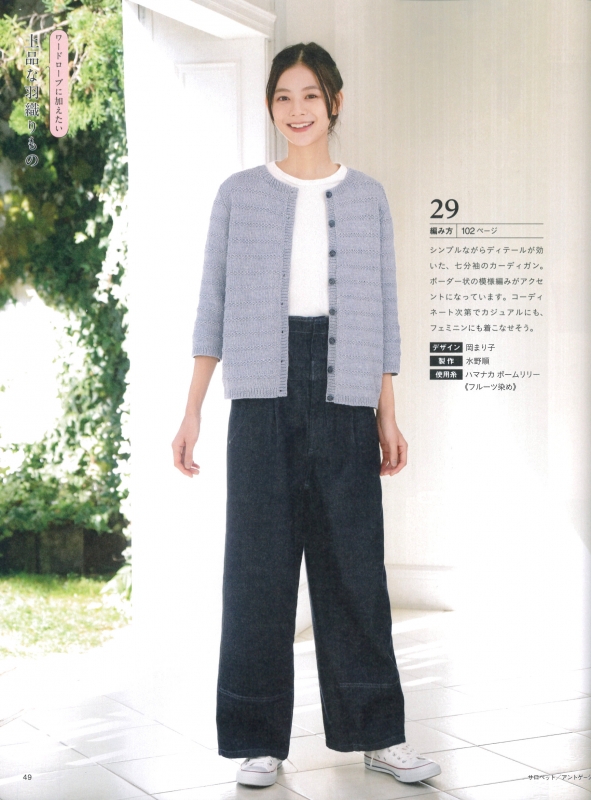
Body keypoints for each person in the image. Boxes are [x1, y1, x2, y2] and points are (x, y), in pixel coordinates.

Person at [172, 41, 442, 790]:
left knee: (354, 570)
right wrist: (191, 410)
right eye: (283, 97)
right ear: (270, 105)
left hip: (345, 389)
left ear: (335, 103)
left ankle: (379, 735)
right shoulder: (237, 194)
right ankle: (257, 742)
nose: (297, 111)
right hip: (259, 392)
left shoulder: (367, 197)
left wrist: (387, 414)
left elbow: (383, 312)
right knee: (256, 572)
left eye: (310, 96)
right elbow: (212, 305)